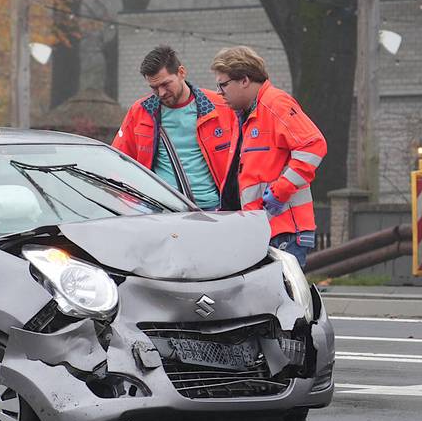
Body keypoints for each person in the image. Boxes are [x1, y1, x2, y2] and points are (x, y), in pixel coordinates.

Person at [210, 46, 326, 266]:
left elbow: (313, 145)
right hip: (264, 228)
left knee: (280, 298)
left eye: (223, 84)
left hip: (283, 231)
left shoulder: (275, 104)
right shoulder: (245, 115)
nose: (219, 92)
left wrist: (280, 192)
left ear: (244, 80)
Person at [112, 45, 234, 210]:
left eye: (165, 84)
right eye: (154, 88)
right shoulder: (140, 111)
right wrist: (127, 205)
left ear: (181, 72)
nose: (161, 93)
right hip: (160, 209)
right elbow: (118, 162)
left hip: (214, 209)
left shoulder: (221, 106)